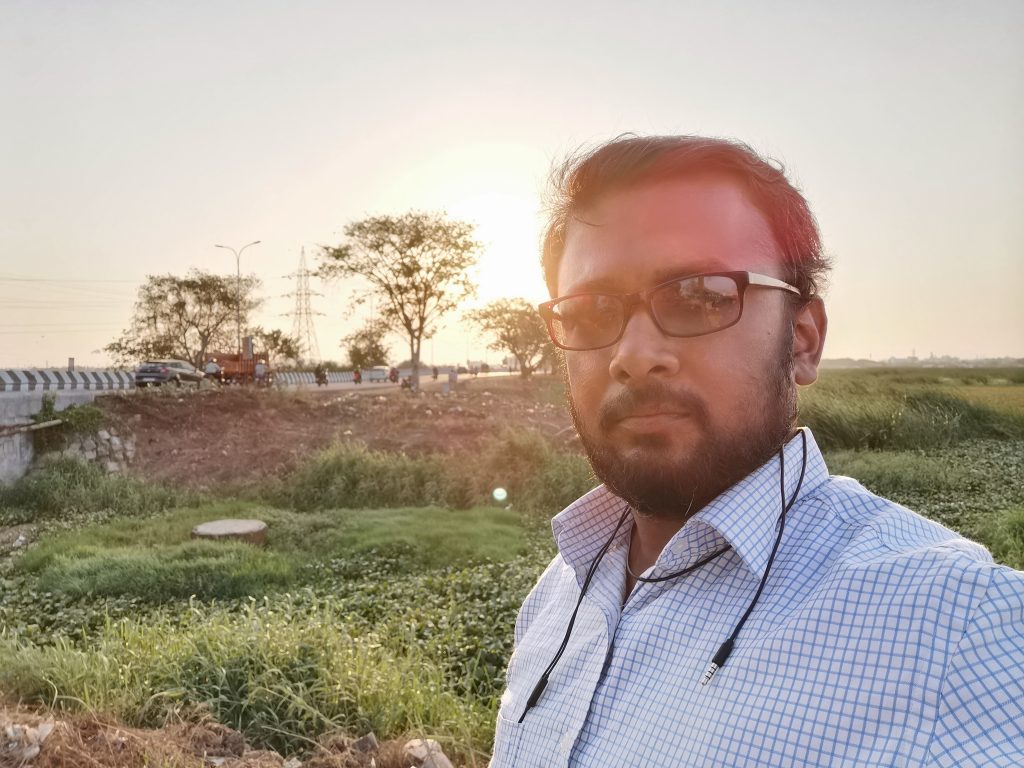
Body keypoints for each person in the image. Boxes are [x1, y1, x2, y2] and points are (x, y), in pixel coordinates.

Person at [491, 135, 1024, 767]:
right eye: (588, 312)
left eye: (699, 296)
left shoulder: (962, 630)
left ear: (802, 340)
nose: (632, 356)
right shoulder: (560, 592)